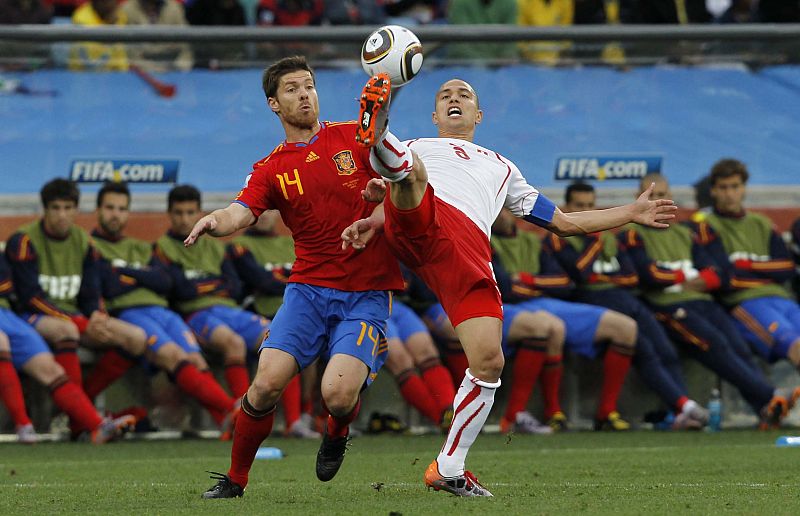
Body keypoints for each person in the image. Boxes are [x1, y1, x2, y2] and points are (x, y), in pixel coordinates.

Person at [342, 74, 678, 497]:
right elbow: (399, 192)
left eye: (464, 94)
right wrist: (375, 217)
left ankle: (448, 467)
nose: (454, 99)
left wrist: (630, 211)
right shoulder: (422, 145)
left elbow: (565, 223)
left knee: (489, 363)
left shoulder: (502, 167)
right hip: (424, 216)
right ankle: (379, 131)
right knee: (411, 173)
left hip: (466, 253)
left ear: (478, 115)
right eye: (445, 95)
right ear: (434, 115)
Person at [187, 56, 404, 499]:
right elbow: (241, 211)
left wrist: (380, 204)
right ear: (274, 103)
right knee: (265, 385)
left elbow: (404, 180)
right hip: (307, 291)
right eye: (292, 88)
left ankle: (338, 430)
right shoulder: (271, 166)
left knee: (338, 395)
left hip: (365, 292)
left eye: (309, 85)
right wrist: (216, 221)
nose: (304, 94)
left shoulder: (354, 138)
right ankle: (235, 480)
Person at [625, 173, 797, 427]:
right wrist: (689, 274)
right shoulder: (631, 234)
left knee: (737, 345)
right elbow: (649, 275)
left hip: (702, 301)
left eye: (663, 194)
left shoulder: (685, 232)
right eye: (652, 195)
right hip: (668, 306)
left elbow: (717, 274)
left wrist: (680, 277)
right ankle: (769, 397)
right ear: (638, 198)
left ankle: (764, 409)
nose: (658, 200)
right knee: (714, 343)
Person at [545, 182, 708, 431]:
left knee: (664, 348)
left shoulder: (610, 238)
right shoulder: (559, 239)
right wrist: (596, 240)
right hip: (590, 302)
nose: (586, 209)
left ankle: (680, 409)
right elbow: (581, 275)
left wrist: (604, 275)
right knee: (643, 347)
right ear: (566, 207)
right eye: (580, 205)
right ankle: (682, 405)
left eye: (590, 205)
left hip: (623, 298)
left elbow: (631, 277)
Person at [91, 181, 240, 432]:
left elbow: (165, 282)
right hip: (130, 313)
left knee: (196, 359)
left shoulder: (140, 246)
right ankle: (234, 411)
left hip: (163, 312)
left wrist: (123, 272)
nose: (115, 214)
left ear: (128, 212)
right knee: (174, 355)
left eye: (121, 208)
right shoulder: (92, 247)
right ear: (97, 210)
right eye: (109, 208)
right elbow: (109, 285)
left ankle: (227, 425)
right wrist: (142, 275)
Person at [5, 179, 148, 421]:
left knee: (136, 338)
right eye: (56, 208)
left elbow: (91, 295)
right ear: (45, 209)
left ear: (76, 210)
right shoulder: (24, 241)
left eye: (68, 208)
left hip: (75, 317)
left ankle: (77, 406)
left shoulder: (85, 242)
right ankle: (81, 418)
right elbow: (30, 298)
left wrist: (97, 316)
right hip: (34, 317)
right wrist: (81, 323)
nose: (62, 215)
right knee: (67, 329)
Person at [491, 207, 637, 432]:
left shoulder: (532, 241)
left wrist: (527, 281)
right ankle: (538, 413)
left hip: (545, 303)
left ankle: (606, 412)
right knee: (551, 328)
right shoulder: (486, 241)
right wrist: (537, 286)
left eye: (503, 208)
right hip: (506, 307)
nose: (500, 214)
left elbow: (564, 283)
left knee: (626, 328)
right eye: (495, 209)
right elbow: (506, 289)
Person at [154, 184, 270, 402]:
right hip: (195, 315)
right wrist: (215, 285)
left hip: (229, 311)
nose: (184, 219)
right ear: (169, 214)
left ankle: (294, 420)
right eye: (178, 213)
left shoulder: (215, 247)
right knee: (233, 343)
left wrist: (200, 285)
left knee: (277, 338)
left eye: (190, 212)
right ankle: (244, 412)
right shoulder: (162, 247)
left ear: (199, 213)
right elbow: (182, 291)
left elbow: (234, 287)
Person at [699, 159, 800, 382]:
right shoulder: (705, 225)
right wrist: (765, 275)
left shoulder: (762, 223)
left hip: (782, 299)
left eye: (735, 186)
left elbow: (787, 268)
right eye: (723, 188)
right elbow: (726, 278)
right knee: (793, 343)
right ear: (713, 191)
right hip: (744, 304)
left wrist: (745, 266)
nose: (729, 194)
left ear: (743, 188)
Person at [229, 210, 320, 439]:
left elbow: (312, 276)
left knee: (317, 342)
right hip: (262, 314)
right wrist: (290, 275)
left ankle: (306, 416)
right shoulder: (238, 245)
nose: (264, 215)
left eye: (270, 209)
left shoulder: (291, 242)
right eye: (259, 209)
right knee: (291, 343)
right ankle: (289, 421)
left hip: (298, 311)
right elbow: (262, 281)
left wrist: (281, 276)